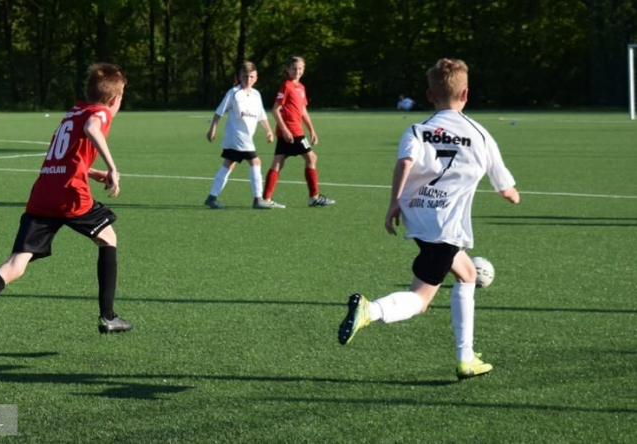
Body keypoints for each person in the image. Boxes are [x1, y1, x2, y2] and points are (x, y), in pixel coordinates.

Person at [337, 58, 520, 380]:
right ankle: (371, 309)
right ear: (466, 93)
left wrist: (394, 203)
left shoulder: (417, 129)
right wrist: (511, 194)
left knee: (466, 274)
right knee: (421, 300)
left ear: (429, 94)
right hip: (447, 227)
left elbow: (404, 162)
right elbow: (506, 188)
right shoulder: (480, 135)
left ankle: (466, 357)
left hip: (417, 218)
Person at [0, 63, 133, 363]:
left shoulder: (74, 111)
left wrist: (92, 172)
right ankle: (107, 316)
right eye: (122, 98)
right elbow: (94, 128)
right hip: (69, 196)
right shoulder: (100, 113)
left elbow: (67, 153)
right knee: (108, 237)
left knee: (16, 263)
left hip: (43, 192)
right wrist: (112, 168)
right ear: (113, 99)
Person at [204, 61, 280, 210]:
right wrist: (212, 128)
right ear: (239, 77)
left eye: (252, 77)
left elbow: (261, 115)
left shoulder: (256, 94)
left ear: (256, 77)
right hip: (237, 137)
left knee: (228, 164)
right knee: (255, 162)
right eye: (245, 76)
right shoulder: (233, 93)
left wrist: (269, 130)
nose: (249, 80)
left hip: (245, 138)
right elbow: (219, 111)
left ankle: (212, 197)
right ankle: (258, 199)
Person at [262, 55, 335, 207]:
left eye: (300, 68)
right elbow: (275, 110)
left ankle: (266, 199)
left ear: (304, 69)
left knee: (278, 163)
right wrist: (285, 129)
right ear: (287, 70)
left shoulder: (301, 88)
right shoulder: (286, 86)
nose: (297, 71)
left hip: (294, 131)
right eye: (294, 68)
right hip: (292, 132)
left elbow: (303, 111)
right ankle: (314, 197)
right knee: (311, 158)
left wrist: (312, 130)